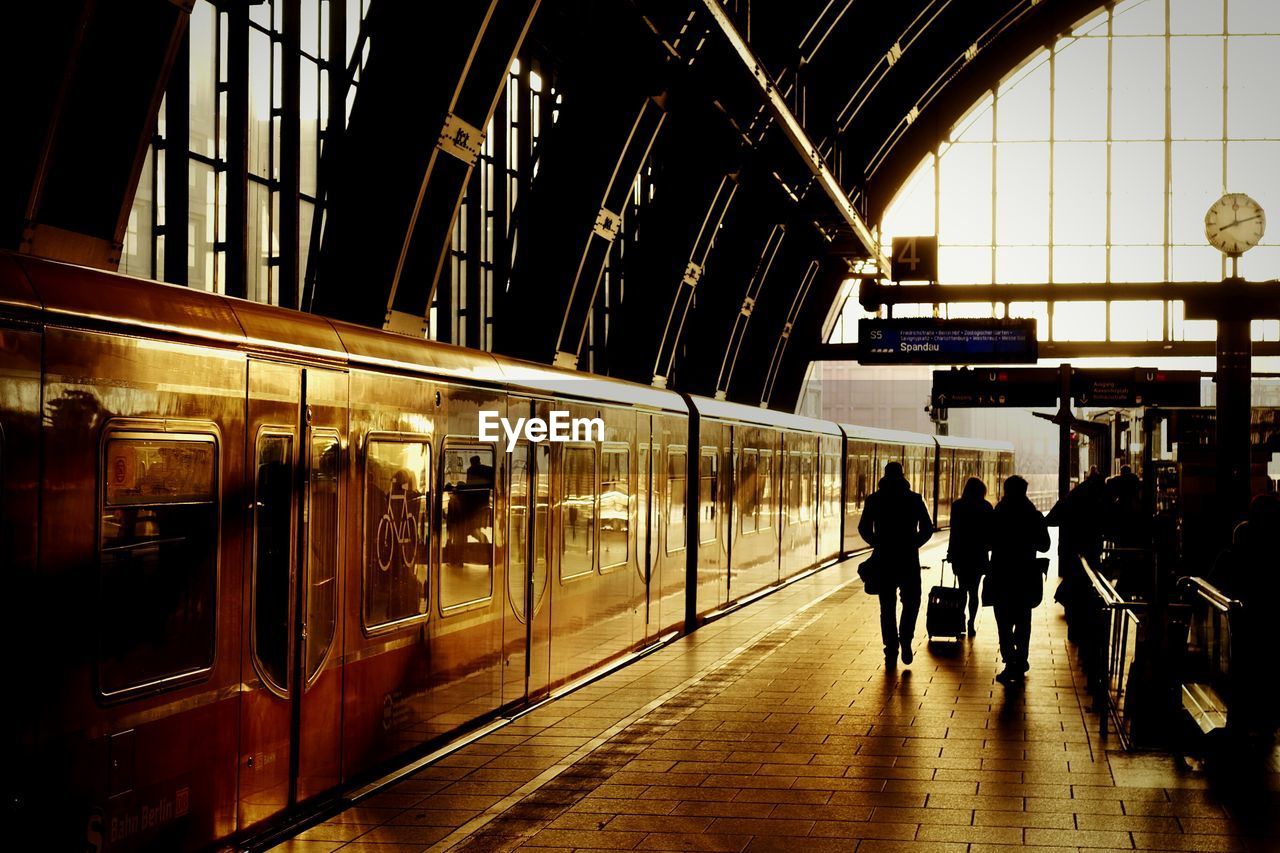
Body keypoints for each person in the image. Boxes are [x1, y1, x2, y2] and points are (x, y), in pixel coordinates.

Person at [858, 461, 934, 667]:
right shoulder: (914, 499)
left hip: (884, 559)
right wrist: (913, 543)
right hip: (908, 559)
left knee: (887, 605)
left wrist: (877, 543)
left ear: (884, 476)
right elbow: (928, 528)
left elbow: (863, 528)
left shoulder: (874, 500)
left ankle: (891, 647)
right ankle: (906, 639)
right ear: (903, 476)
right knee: (912, 601)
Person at [986, 475, 1051, 684]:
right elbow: (1045, 545)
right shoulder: (1034, 515)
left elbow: (987, 541)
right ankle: (1021, 659)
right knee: (1023, 620)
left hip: (1002, 573)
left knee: (1003, 621)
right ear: (1025, 491)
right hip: (1025, 575)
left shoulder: (997, 513)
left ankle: (1010, 659)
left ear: (1006, 490)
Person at [947, 477, 993, 637]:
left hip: (961, 553)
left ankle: (960, 620)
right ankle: (971, 623)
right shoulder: (986, 507)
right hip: (979, 554)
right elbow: (991, 533)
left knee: (962, 590)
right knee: (974, 591)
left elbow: (954, 532)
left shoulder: (958, 506)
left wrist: (950, 553)